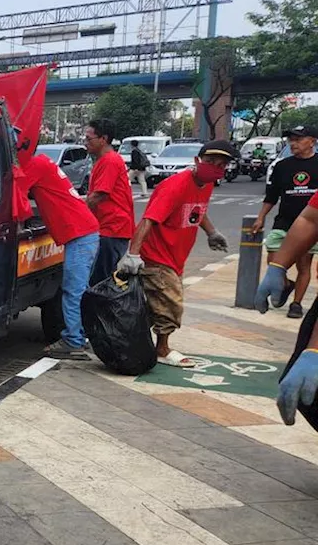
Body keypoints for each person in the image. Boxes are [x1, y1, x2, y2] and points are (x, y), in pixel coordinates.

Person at [117, 140, 235, 367]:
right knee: (172, 303)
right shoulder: (175, 185)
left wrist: (211, 232)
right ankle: (162, 348)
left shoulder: (206, 184)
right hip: (156, 256)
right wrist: (133, 254)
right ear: (197, 161)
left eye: (221, 165)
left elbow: (196, 209)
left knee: (158, 303)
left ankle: (143, 343)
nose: (215, 168)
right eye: (210, 162)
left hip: (175, 256)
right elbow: (149, 219)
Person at [21, 152, 101, 360]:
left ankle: (73, 341)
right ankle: (80, 336)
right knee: (79, 290)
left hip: (80, 235)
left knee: (73, 291)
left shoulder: (34, 165)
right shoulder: (43, 161)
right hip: (85, 232)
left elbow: (15, 195)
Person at [249, 126, 318, 318]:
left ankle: (296, 303)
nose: (293, 144)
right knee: (274, 258)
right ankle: (286, 284)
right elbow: (271, 196)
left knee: (304, 265)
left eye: (298, 139)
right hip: (284, 222)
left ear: (312, 141)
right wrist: (261, 217)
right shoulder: (282, 166)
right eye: (291, 140)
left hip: (310, 226)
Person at [85, 119, 135, 285]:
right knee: (102, 279)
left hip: (112, 230)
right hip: (109, 229)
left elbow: (98, 196)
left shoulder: (110, 161)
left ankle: (99, 311)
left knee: (101, 282)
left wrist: (76, 214)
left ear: (103, 139)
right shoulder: (105, 160)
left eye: (89, 139)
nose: (85, 143)